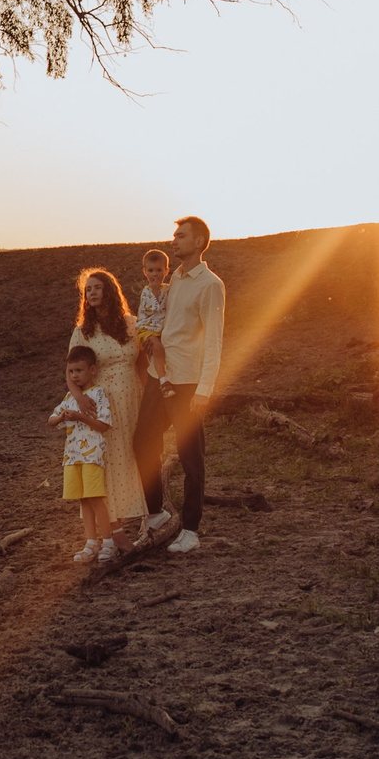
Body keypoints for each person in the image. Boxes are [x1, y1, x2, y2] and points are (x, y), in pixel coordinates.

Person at [149, 216, 226, 554]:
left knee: (190, 456)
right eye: (174, 235)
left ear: (198, 242)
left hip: (188, 383)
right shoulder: (175, 280)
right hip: (160, 376)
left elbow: (214, 341)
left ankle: (191, 530)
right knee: (142, 440)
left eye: (180, 236)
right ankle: (156, 513)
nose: (173, 240)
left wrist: (204, 389)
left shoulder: (210, 285)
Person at [66, 267, 150, 538]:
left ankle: (137, 514)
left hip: (132, 396)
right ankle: (112, 526)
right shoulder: (83, 331)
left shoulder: (131, 324)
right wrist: (80, 398)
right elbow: (70, 371)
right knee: (109, 458)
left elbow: (142, 364)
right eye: (88, 289)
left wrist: (148, 398)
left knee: (131, 455)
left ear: (110, 291)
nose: (92, 293)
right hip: (101, 401)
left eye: (97, 287)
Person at [49, 345, 118, 562]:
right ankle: (91, 542)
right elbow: (51, 420)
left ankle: (109, 542)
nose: (74, 376)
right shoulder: (70, 397)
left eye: (79, 370)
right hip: (72, 457)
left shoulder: (98, 394)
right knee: (84, 500)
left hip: (92, 456)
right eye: (71, 372)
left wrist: (80, 417)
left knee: (95, 498)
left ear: (92, 370)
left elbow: (104, 425)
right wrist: (62, 417)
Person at [129, 248, 175, 532]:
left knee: (150, 438)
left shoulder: (170, 290)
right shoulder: (148, 293)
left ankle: (154, 507)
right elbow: (148, 316)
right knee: (156, 348)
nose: (155, 275)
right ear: (144, 272)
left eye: (159, 270)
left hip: (164, 334)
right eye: (150, 270)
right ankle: (162, 378)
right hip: (149, 331)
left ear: (166, 271)